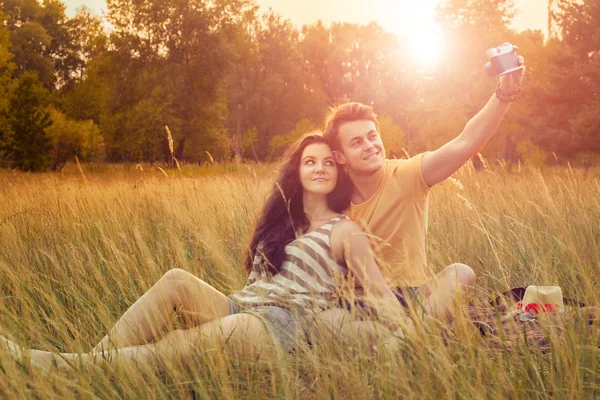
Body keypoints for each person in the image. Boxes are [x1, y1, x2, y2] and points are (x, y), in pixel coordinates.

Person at [1, 133, 406, 373]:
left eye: (326, 163)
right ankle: (91, 366)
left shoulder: (345, 230)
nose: (319, 168)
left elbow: (378, 292)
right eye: (309, 162)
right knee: (177, 279)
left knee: (175, 345)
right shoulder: (281, 223)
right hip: (239, 306)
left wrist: (408, 335)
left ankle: (46, 364)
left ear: (337, 173)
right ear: (296, 172)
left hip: (280, 324)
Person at [323, 47, 526, 321]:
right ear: (339, 156)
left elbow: (465, 143)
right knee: (329, 320)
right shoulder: (328, 198)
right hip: (360, 305)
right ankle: (410, 338)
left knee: (461, 273)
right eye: (356, 142)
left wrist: (504, 94)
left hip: (415, 298)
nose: (370, 146)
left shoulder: (407, 176)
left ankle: (406, 339)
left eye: (372, 136)